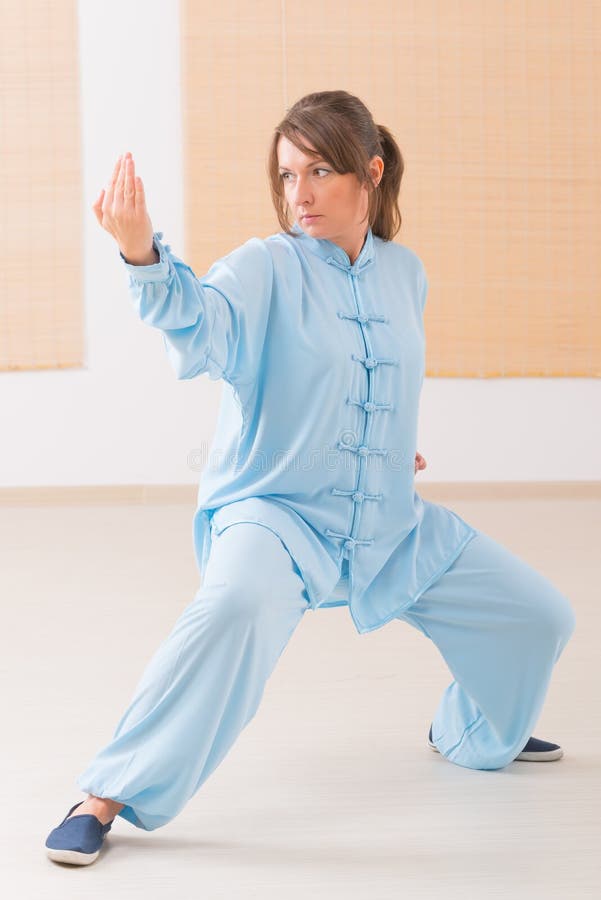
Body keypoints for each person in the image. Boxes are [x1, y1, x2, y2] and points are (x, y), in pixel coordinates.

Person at [46, 90, 576, 866]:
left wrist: (385, 444)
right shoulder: (265, 265)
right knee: (231, 605)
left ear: (371, 172)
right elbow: (202, 328)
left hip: (389, 521)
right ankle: (104, 794)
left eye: (319, 171)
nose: (298, 194)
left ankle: (469, 730)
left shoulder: (405, 274)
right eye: (287, 174)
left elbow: (381, 378)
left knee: (540, 617)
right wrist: (142, 257)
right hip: (277, 513)